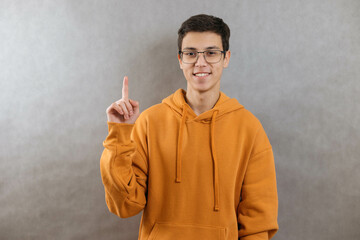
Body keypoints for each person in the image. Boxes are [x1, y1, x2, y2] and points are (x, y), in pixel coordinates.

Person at [100, 14, 278, 240]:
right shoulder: (149, 122)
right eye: (191, 53)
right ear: (180, 59)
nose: (200, 62)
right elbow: (125, 205)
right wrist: (119, 135)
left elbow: (258, 223)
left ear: (226, 58)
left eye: (211, 53)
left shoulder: (249, 129)